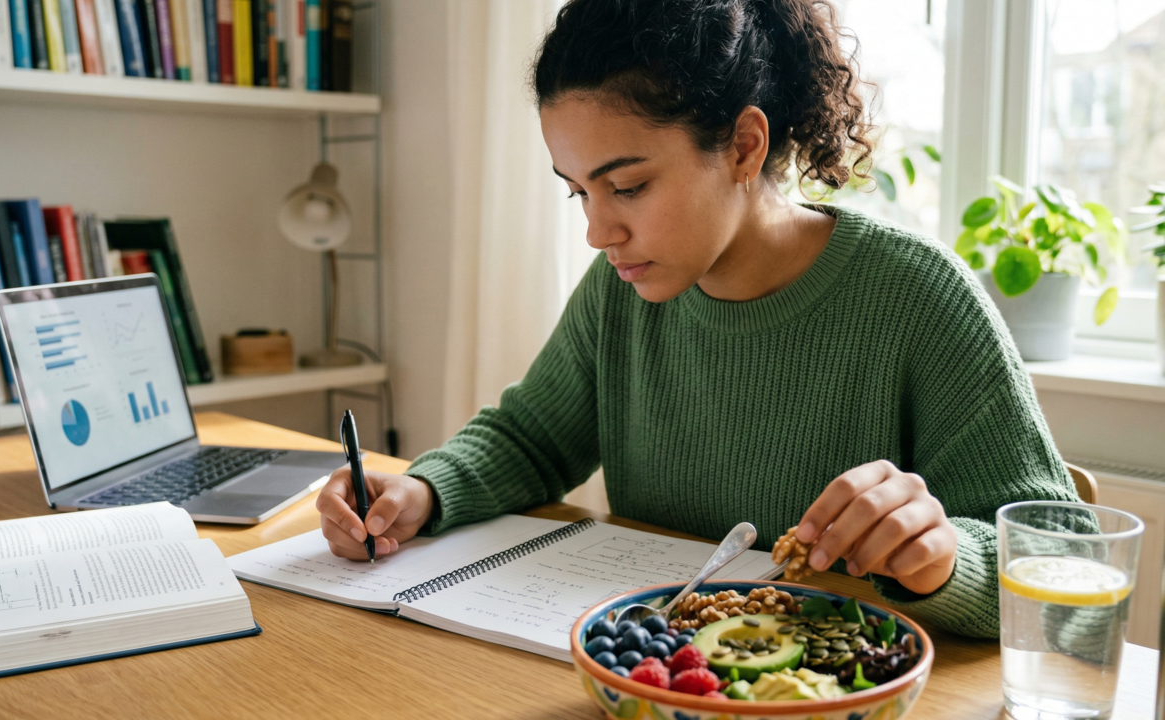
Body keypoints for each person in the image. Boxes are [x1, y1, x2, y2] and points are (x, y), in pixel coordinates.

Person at [315, 0, 1076, 638]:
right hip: (660, 684)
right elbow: (532, 439)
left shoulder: (914, 297)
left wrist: (942, 559)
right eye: (579, 191)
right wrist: (422, 493)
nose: (598, 231)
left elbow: (1065, 565)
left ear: (745, 146)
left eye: (630, 186)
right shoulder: (623, 289)